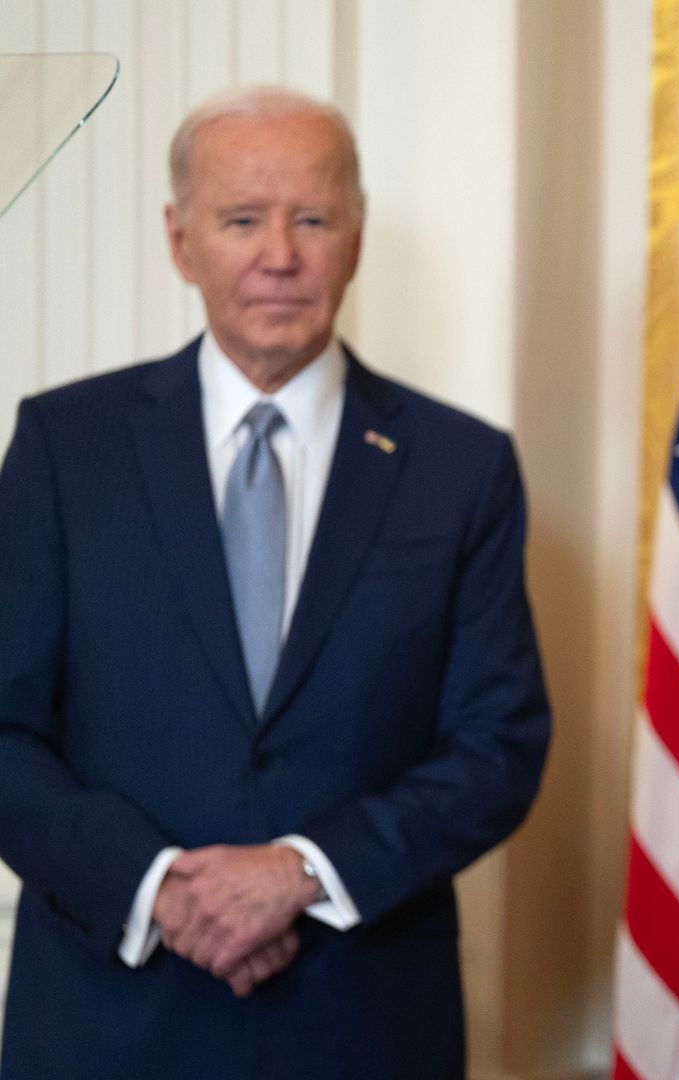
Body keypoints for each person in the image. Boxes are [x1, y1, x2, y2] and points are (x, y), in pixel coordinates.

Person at [0, 87, 549, 1079]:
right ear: (180, 242)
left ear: (357, 239)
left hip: (362, 1025)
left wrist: (303, 871)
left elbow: (498, 746)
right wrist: (159, 889)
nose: (280, 256)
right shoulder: (64, 447)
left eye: (314, 220)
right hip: (107, 1023)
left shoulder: (460, 468)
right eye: (242, 220)